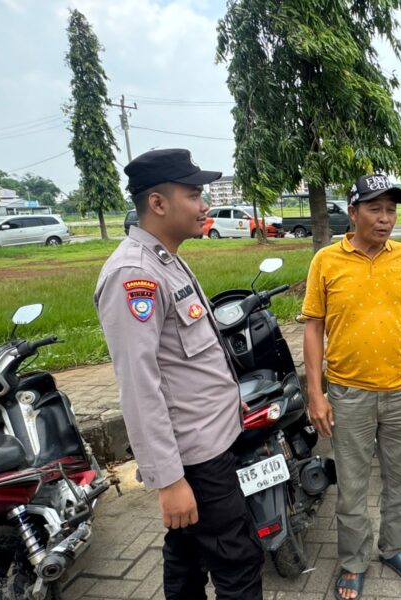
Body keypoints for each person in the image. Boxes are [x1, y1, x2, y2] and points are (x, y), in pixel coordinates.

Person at [94, 149, 263, 600]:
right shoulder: (133, 274)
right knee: (239, 561)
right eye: (194, 195)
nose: (204, 205)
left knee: (187, 553)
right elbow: (139, 387)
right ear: (158, 203)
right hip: (195, 457)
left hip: (208, 439)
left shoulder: (165, 258)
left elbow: (189, 358)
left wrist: (230, 397)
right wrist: (169, 481)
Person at [302, 174, 401, 600]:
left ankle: (394, 548)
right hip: (348, 395)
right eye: (375, 209)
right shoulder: (327, 261)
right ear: (353, 213)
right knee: (351, 488)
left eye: (391, 210)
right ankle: (353, 561)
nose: (385, 219)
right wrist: (315, 393)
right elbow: (313, 328)